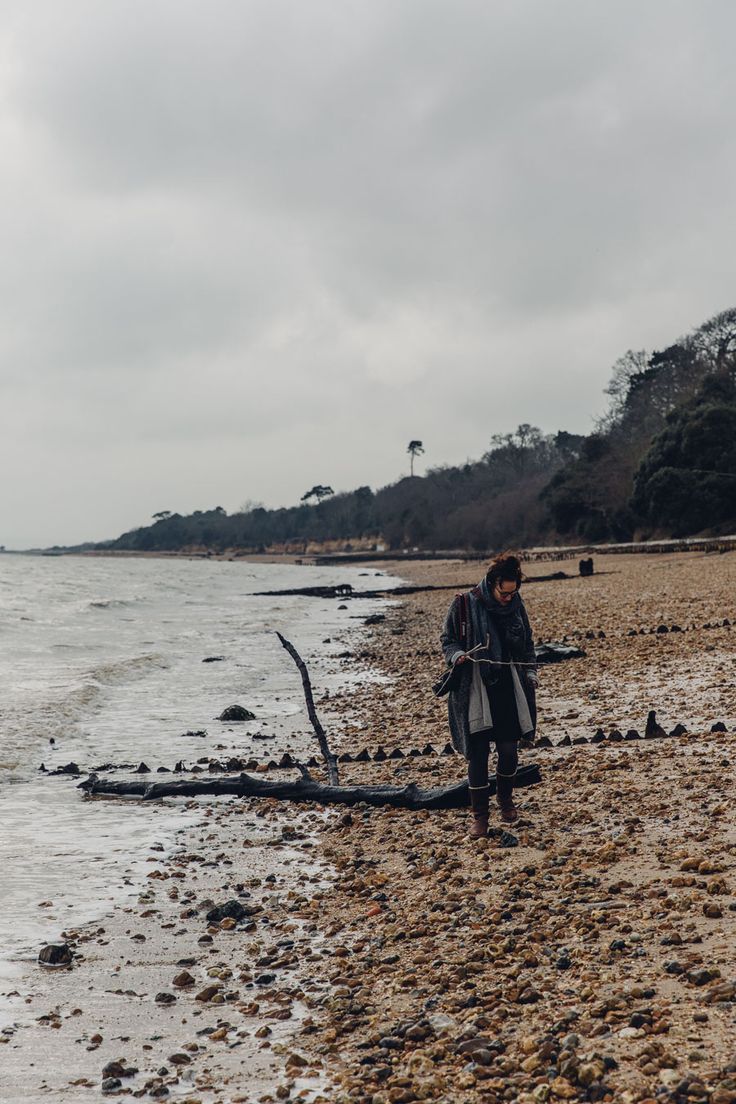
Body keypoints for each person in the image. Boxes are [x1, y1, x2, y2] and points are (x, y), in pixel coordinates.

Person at [440, 552, 538, 838]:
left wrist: (531, 672)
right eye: (504, 593)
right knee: (478, 755)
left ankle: (505, 801)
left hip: (509, 684)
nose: (508, 598)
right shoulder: (464, 604)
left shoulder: (517, 606)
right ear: (492, 583)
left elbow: (528, 642)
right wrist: (457, 655)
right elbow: (448, 640)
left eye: (513, 593)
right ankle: (479, 817)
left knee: (509, 751)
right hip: (475, 688)